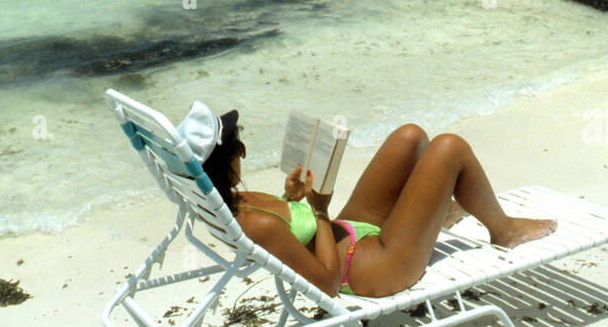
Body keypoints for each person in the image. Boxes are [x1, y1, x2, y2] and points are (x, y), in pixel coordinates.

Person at [177, 106, 557, 299]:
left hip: (350, 235)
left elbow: (289, 232)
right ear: (222, 161)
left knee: (410, 137)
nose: (242, 147)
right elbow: (324, 283)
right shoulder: (253, 225)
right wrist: (320, 210)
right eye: (235, 144)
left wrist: (294, 199)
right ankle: (504, 230)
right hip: (369, 270)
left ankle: (432, 214)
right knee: (449, 148)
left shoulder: (232, 200)